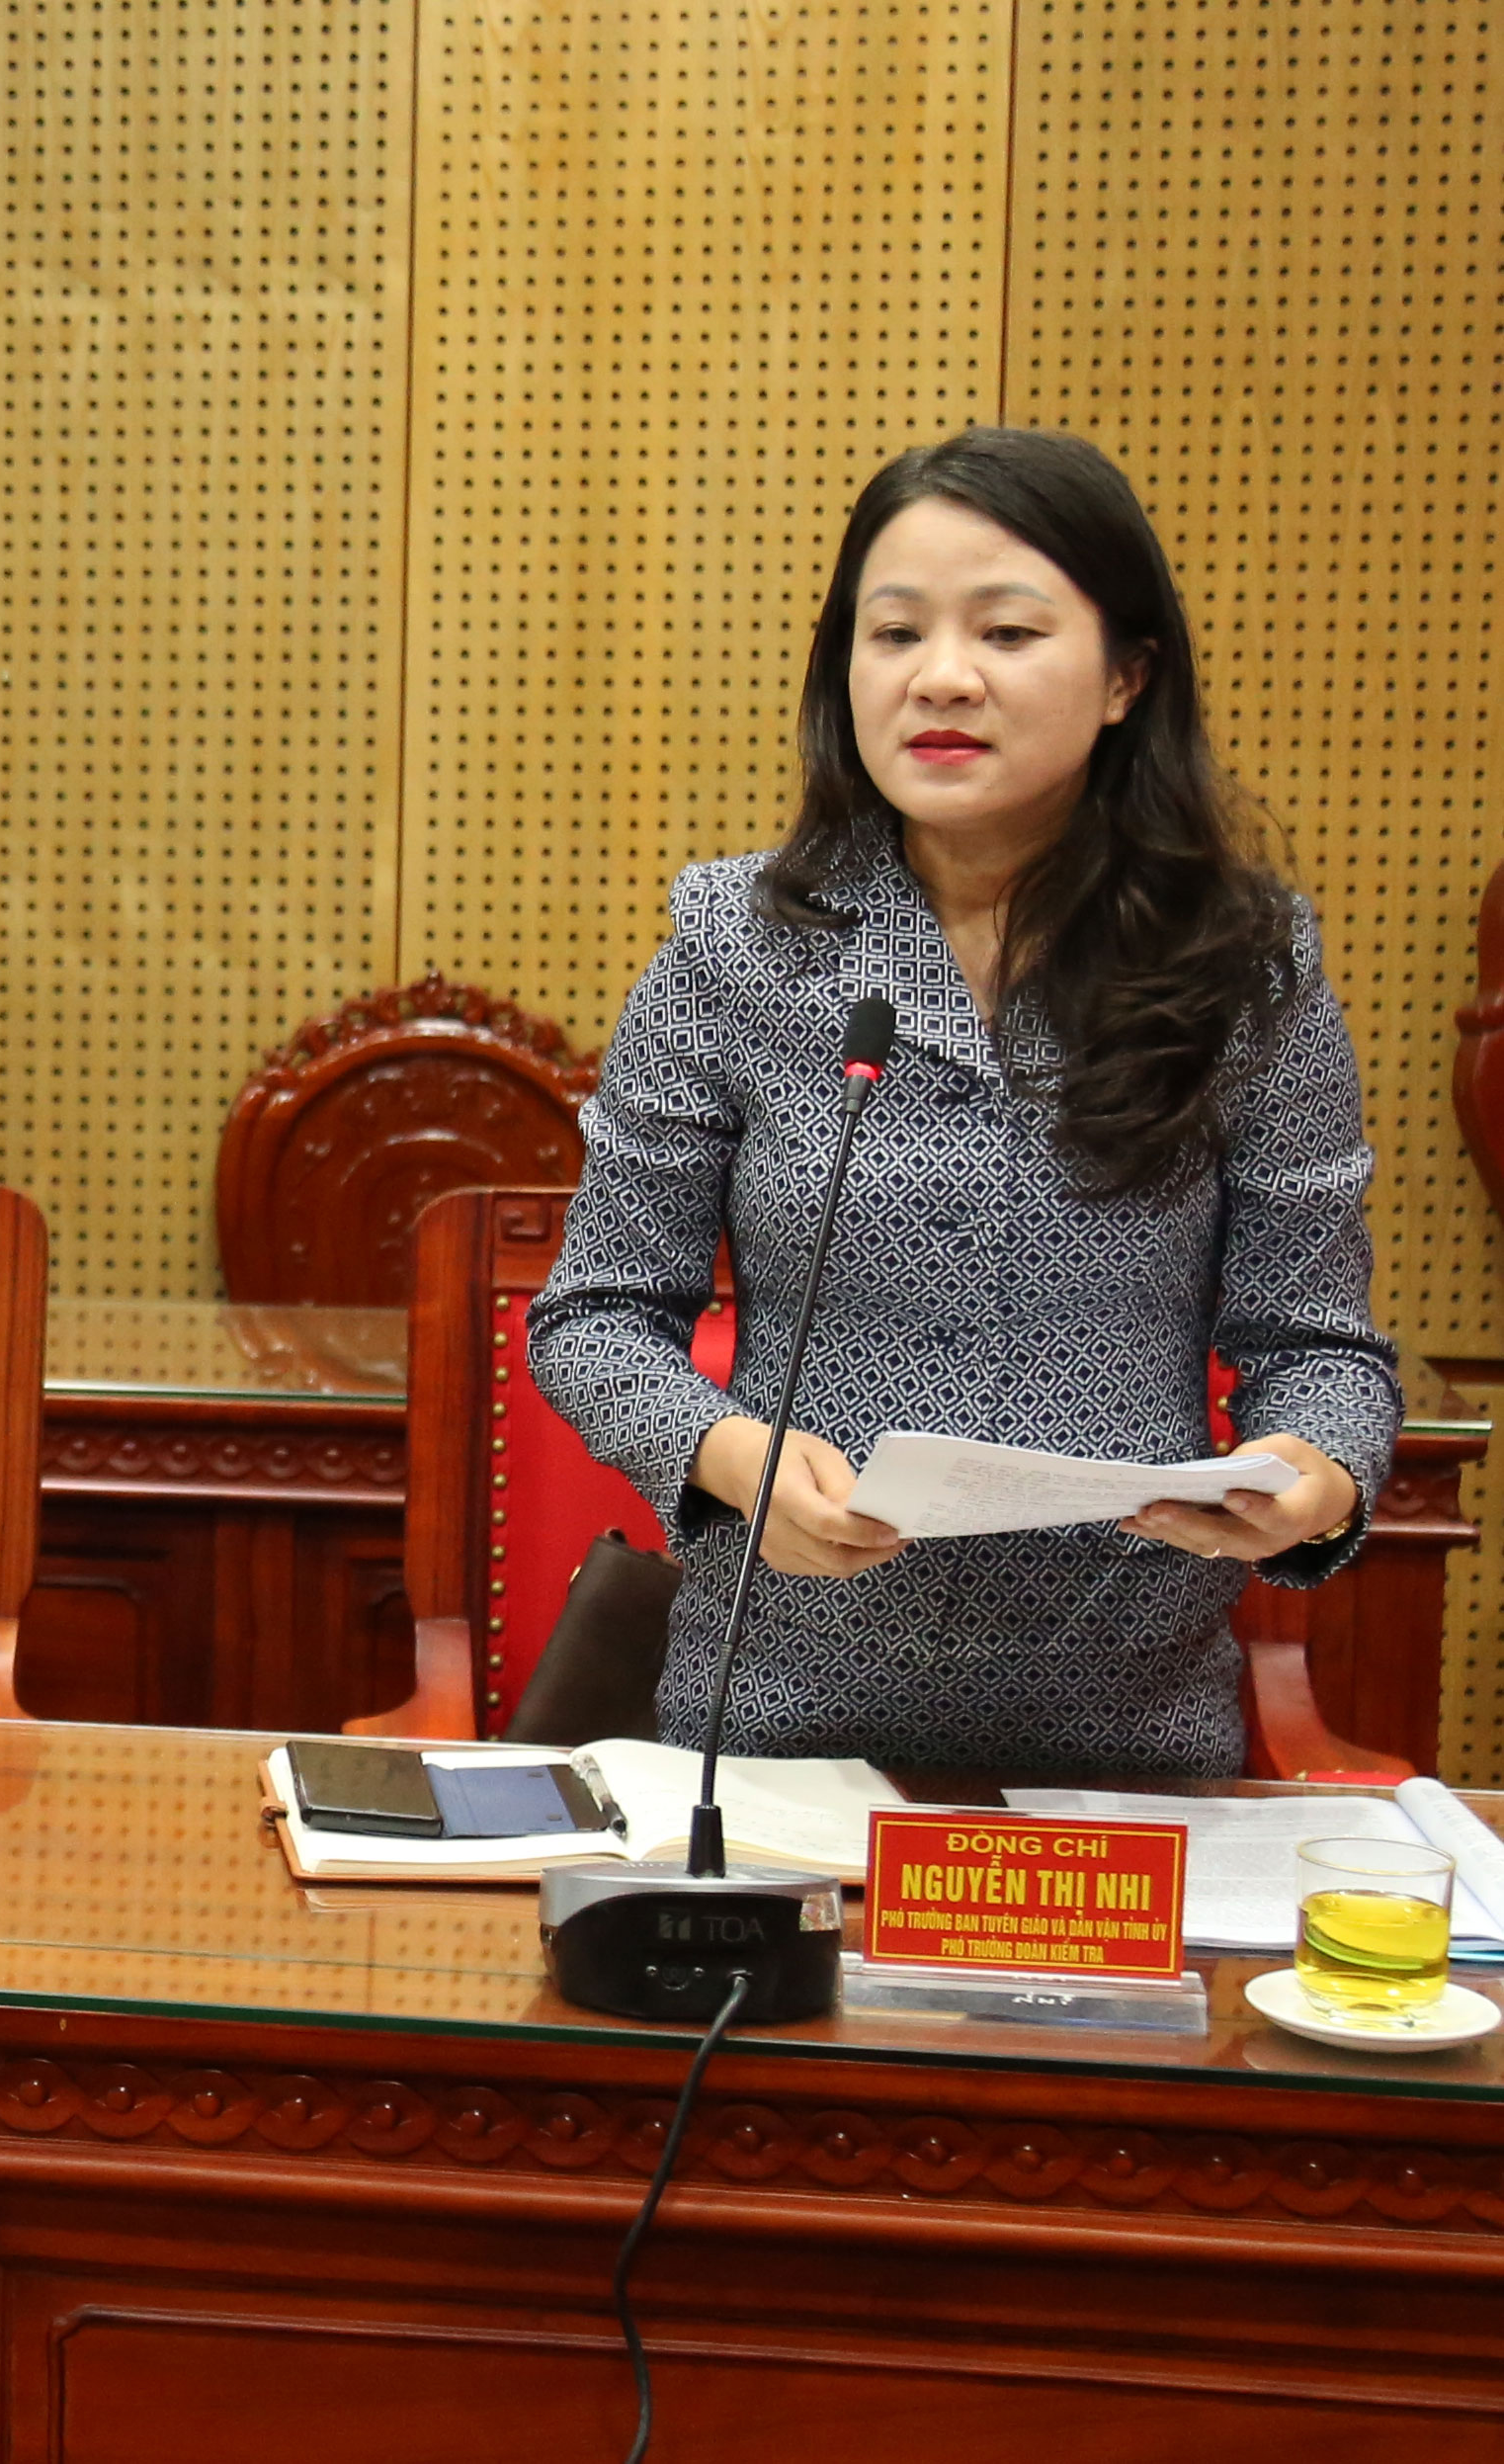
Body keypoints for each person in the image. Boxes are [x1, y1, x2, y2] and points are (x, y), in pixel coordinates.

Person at [530, 427, 1398, 1775]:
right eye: (893, 634)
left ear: (1124, 677)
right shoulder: (737, 945)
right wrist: (728, 1453)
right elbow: (594, 1314)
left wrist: (1314, 1477)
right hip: (778, 1721)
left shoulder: (1239, 963)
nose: (939, 676)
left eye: (1005, 632)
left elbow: (1318, 1343)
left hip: (1130, 1734)